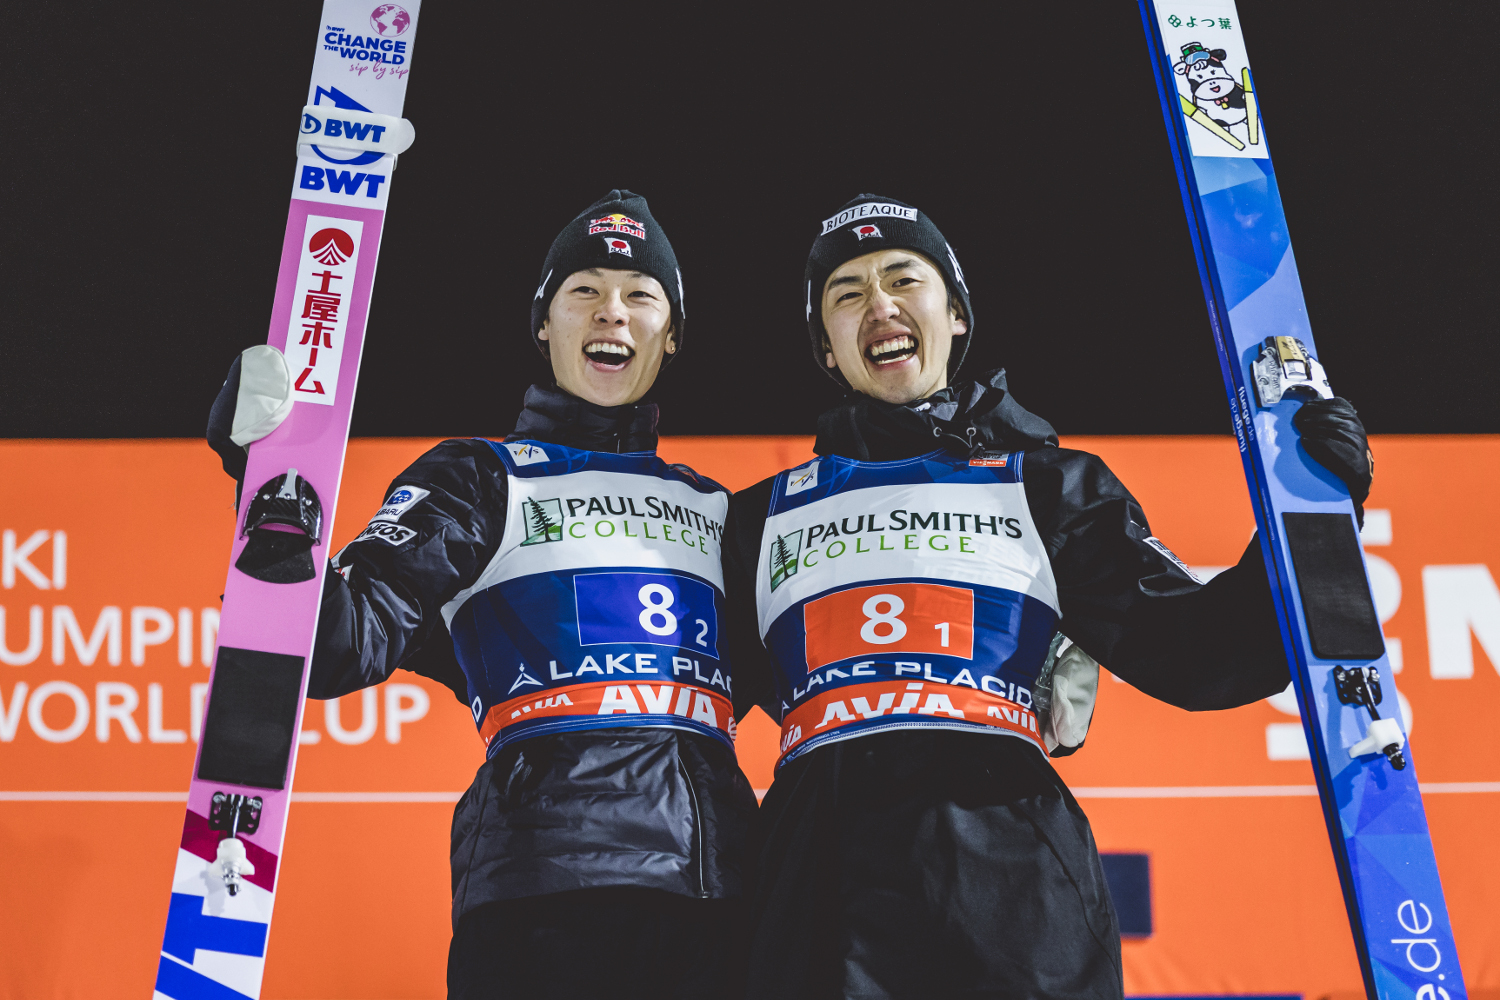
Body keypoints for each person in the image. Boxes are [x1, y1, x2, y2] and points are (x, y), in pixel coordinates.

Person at [720, 194, 1374, 998]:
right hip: (818, 896)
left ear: (956, 314)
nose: (879, 305)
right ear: (827, 346)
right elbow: (674, 708)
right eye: (847, 293)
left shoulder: (1046, 487)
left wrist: (1307, 517)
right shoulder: (760, 518)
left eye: (903, 278)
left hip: (1007, 886)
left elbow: (1202, 651)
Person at [208, 190, 757, 999]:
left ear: (670, 333)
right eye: (584, 291)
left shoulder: (716, 510)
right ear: (544, 324)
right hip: (545, 899)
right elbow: (336, 647)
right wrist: (269, 492)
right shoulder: (479, 479)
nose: (612, 311)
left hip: (718, 909)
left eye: (640, 295)